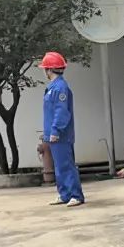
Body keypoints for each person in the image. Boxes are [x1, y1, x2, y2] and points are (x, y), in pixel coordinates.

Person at [41, 51, 84, 208]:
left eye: (45, 69)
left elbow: (61, 112)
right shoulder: (53, 87)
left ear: (49, 70)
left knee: (66, 165)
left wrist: (55, 131)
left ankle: (75, 195)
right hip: (54, 134)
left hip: (61, 135)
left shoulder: (60, 88)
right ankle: (65, 194)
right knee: (59, 167)